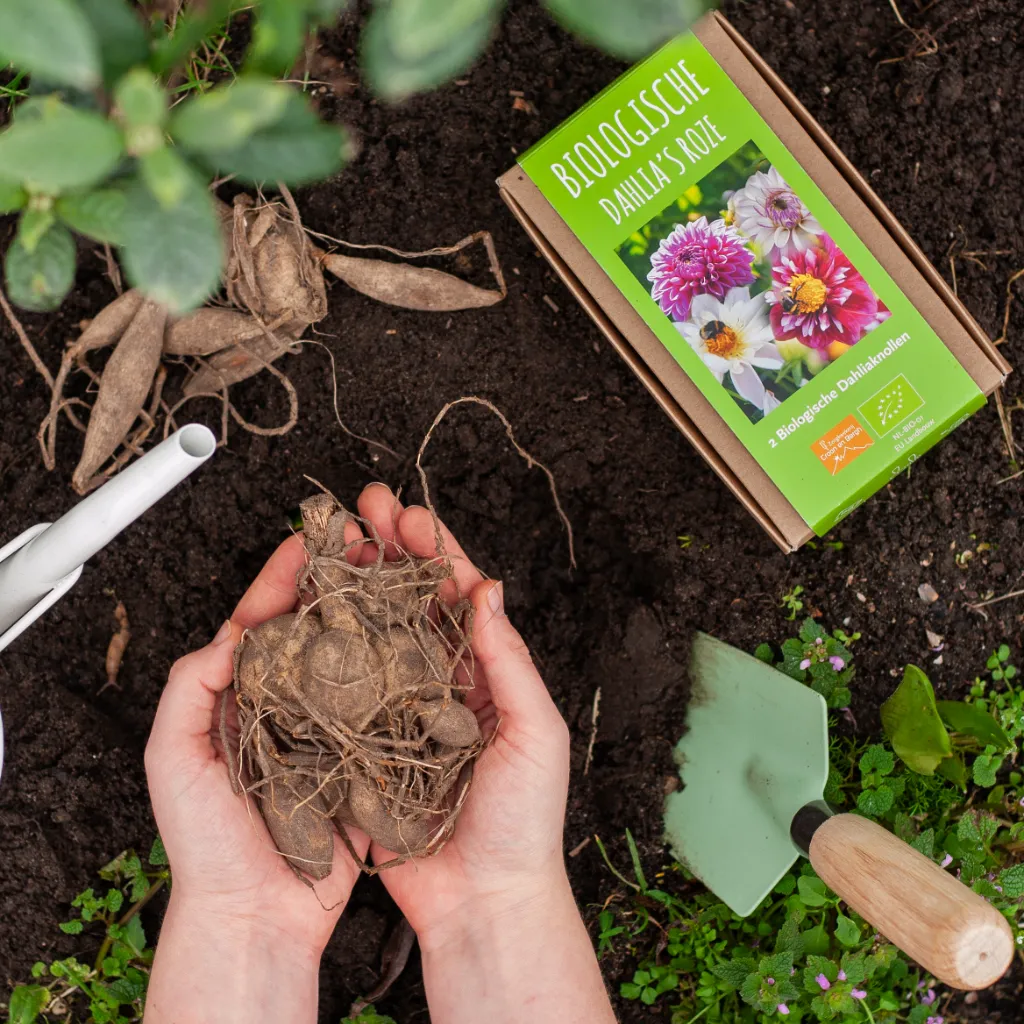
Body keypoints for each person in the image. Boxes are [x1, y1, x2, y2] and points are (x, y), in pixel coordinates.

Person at [143, 482, 618, 1024]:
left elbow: (455, 729)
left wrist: (236, 919)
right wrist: (501, 904)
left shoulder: (401, 673)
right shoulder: (311, 668)